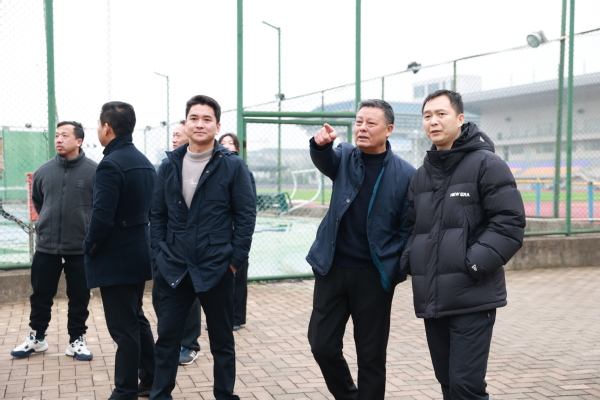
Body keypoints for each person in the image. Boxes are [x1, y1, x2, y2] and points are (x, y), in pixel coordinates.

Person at [400, 89, 526, 400]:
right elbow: (412, 227)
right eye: (427, 116)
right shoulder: (422, 175)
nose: (433, 121)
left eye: (441, 114)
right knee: (447, 383)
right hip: (433, 298)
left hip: (473, 296)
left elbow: (509, 223)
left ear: (460, 118)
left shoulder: (487, 164)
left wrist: (471, 263)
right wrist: (410, 260)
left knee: (466, 385)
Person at [306, 99, 416, 400]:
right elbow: (324, 159)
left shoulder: (406, 174)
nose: (362, 128)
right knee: (321, 344)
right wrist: (320, 145)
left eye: (370, 123)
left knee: (371, 356)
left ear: (388, 130)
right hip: (332, 268)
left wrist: (394, 268)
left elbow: (408, 227)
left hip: (374, 274)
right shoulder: (343, 156)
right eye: (358, 122)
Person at [150, 95, 256, 400]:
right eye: (193, 118)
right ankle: (160, 395)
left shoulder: (232, 166)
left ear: (217, 126)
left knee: (222, 341)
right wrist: (158, 255)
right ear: (185, 123)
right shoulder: (169, 165)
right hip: (174, 266)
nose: (199, 124)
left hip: (217, 266)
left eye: (207, 119)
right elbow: (157, 214)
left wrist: (234, 261)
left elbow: (246, 216)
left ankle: (224, 395)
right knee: (167, 339)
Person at [84, 101, 156, 399]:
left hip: (115, 259)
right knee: (136, 318)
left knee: (123, 328)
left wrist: (89, 246)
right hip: (139, 253)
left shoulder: (110, 165)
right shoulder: (144, 162)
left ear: (107, 127)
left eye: (98, 125)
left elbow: (102, 217)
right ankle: (151, 378)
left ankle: (125, 390)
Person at [10, 121, 97, 361]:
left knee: (79, 296)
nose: (58, 139)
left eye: (65, 135)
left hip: (79, 247)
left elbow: (99, 206)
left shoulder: (94, 171)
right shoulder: (44, 171)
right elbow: (39, 201)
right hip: (46, 246)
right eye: (57, 135)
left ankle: (76, 339)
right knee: (40, 295)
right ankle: (37, 338)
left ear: (79, 141)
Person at [152, 119, 202, 366]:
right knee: (161, 298)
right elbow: (157, 211)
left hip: (194, 250)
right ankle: (169, 343)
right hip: (168, 250)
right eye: (172, 135)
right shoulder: (167, 166)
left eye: (178, 135)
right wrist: (157, 250)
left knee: (190, 300)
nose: (174, 139)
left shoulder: (204, 167)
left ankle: (190, 345)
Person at [218, 133, 256, 331]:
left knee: (238, 275)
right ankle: (223, 317)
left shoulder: (242, 169)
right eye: (223, 142)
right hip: (220, 232)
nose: (226, 145)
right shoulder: (216, 169)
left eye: (230, 143)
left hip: (237, 231)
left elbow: (248, 205)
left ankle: (236, 318)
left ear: (237, 148)